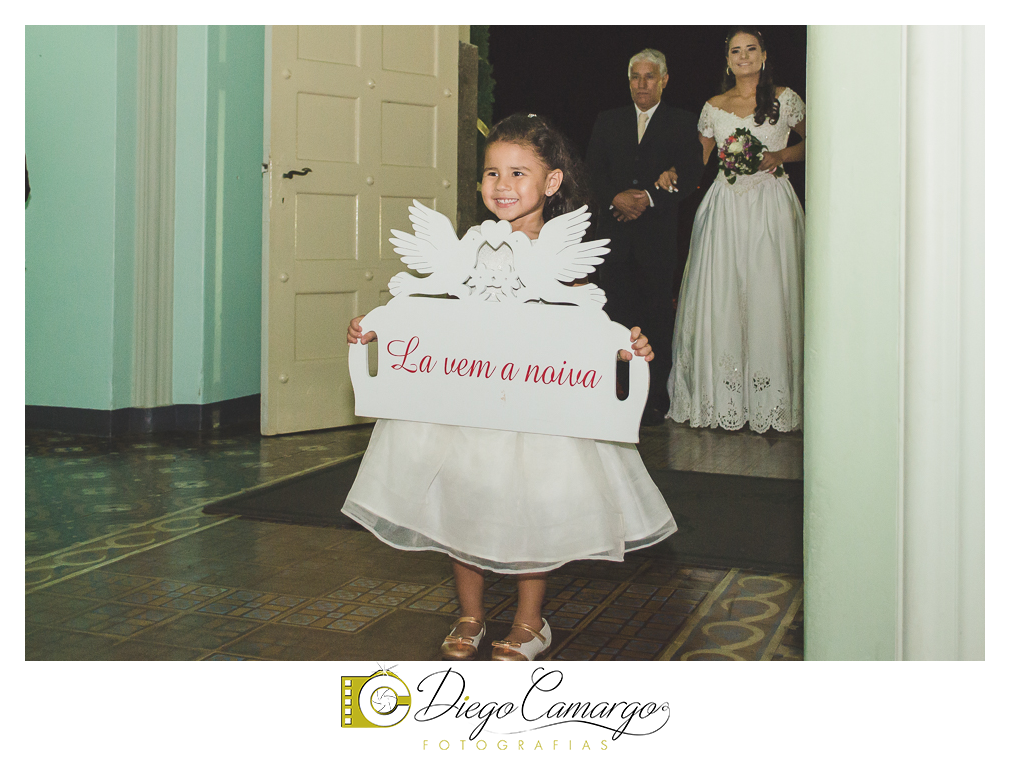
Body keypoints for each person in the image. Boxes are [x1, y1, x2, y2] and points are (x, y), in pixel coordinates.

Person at [343, 114, 677, 661]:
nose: (503, 185)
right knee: (462, 497)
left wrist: (625, 348)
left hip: (536, 408)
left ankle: (529, 619)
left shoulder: (564, 254)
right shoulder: (465, 247)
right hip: (466, 401)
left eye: (519, 173)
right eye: (492, 173)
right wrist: (378, 331)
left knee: (532, 503)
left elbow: (587, 326)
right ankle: (470, 613)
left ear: (550, 183)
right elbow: (431, 311)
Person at [660, 28, 805, 433]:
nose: (743, 57)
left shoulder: (785, 99)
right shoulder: (714, 107)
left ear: (763, 55)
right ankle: (722, 397)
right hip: (724, 207)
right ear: (727, 61)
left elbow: (817, 142)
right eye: (735, 51)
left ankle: (771, 400)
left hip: (771, 206)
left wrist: (781, 154)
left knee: (768, 295)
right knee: (723, 296)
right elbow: (697, 162)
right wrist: (673, 174)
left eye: (750, 49)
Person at [587, 49, 704, 427]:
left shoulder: (682, 122)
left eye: (649, 76)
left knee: (655, 318)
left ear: (664, 80)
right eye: (635, 76)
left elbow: (689, 173)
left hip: (657, 241)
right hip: (615, 240)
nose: (641, 83)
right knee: (616, 318)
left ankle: (653, 402)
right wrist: (615, 199)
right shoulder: (608, 120)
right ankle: (615, 395)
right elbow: (592, 172)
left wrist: (649, 199)